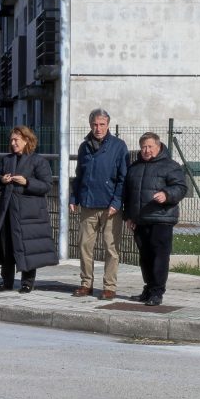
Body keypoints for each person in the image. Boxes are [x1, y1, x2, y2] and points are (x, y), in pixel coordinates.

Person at [0, 125, 56, 293]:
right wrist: (1, 180)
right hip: (7, 212)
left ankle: (27, 282)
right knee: (6, 247)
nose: (13, 142)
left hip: (28, 215)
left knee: (27, 248)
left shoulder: (38, 161)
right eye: (11, 140)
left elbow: (47, 185)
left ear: (26, 140)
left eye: (16, 139)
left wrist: (27, 182)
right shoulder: (6, 160)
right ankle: (6, 281)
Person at [70, 108, 129, 300]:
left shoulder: (119, 146)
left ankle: (109, 286)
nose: (98, 128)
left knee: (111, 248)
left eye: (102, 124)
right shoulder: (84, 147)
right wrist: (74, 198)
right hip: (88, 204)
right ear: (90, 125)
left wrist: (117, 202)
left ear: (108, 125)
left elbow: (123, 178)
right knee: (84, 246)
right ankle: (86, 283)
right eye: (95, 124)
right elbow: (78, 175)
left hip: (110, 207)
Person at [123, 132, 187, 306]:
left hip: (161, 218)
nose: (146, 150)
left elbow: (181, 187)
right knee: (145, 256)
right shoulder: (134, 167)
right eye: (143, 146)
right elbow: (127, 194)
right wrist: (128, 216)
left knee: (159, 256)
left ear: (159, 147)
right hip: (140, 219)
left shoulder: (170, 166)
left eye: (150, 146)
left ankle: (157, 292)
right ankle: (149, 288)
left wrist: (167, 194)